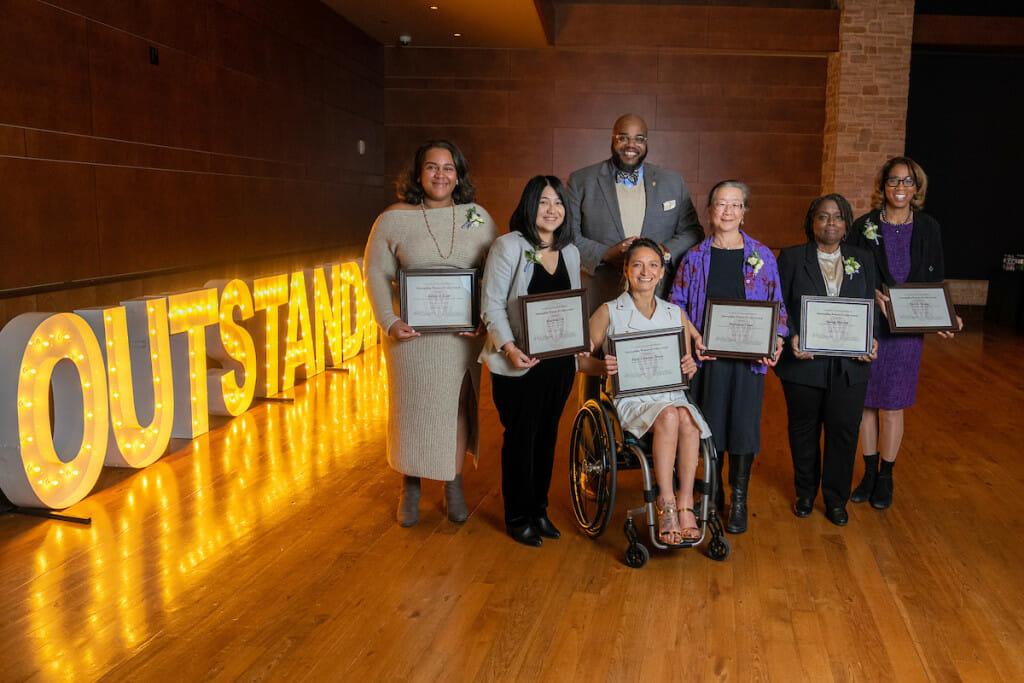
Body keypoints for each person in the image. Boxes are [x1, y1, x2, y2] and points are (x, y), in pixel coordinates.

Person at [364, 140, 496, 527]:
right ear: (418, 174)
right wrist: (389, 320)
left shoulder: (477, 218)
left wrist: (487, 320)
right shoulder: (393, 219)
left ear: (459, 175)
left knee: (456, 409)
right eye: (432, 167)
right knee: (413, 413)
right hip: (412, 339)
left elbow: (498, 270)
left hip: (462, 338)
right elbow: (375, 273)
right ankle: (411, 486)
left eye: (449, 168)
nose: (441, 175)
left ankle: (453, 484)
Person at [669, 180, 787, 535]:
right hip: (709, 360)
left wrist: (777, 339)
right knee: (710, 427)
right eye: (721, 204)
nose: (728, 211)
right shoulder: (693, 257)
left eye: (736, 205)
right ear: (710, 210)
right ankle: (714, 492)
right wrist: (693, 336)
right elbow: (676, 306)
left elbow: (777, 306)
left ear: (744, 212)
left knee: (744, 428)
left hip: (749, 361)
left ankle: (739, 499)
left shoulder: (762, 256)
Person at [579, 237, 711, 545]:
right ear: (625, 269)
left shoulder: (673, 312)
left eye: (653, 265)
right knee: (669, 417)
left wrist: (689, 365)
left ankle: (686, 503)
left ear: (662, 272)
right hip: (630, 397)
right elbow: (578, 360)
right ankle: (665, 504)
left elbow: (684, 360)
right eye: (637, 264)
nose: (645, 271)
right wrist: (603, 367)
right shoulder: (609, 312)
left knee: (687, 419)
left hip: (670, 393)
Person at [849, 156, 962, 509]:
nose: (901, 188)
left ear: (917, 187)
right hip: (871, 325)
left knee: (893, 404)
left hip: (907, 330)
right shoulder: (864, 224)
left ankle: (886, 476)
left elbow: (935, 278)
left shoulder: (929, 226)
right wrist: (873, 295)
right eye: (894, 181)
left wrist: (947, 317)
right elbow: (849, 272)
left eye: (908, 181)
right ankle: (867, 473)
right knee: (866, 403)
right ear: (883, 186)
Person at [479, 176, 582, 547]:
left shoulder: (570, 251)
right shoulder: (508, 247)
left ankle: (539, 509)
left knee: (548, 435)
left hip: (558, 365)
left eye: (558, 203)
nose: (551, 210)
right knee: (521, 437)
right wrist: (508, 348)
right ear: (528, 206)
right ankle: (517, 515)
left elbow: (569, 306)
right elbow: (491, 305)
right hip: (519, 363)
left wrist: (579, 340)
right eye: (543, 202)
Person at [775, 194, 877, 526]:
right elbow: (779, 305)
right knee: (803, 430)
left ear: (847, 224)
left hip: (850, 367)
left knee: (844, 432)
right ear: (812, 222)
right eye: (823, 216)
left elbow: (867, 307)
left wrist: (869, 339)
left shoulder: (863, 258)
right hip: (804, 364)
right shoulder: (791, 258)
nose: (830, 223)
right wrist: (791, 335)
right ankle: (805, 493)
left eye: (837, 217)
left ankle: (836, 499)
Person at [567, 113, 704, 310]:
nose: (631, 144)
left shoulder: (673, 182)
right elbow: (568, 236)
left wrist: (662, 252)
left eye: (639, 139)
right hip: (601, 296)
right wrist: (605, 254)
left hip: (656, 297)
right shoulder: (581, 181)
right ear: (612, 139)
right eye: (623, 137)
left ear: (646, 142)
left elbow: (693, 232)